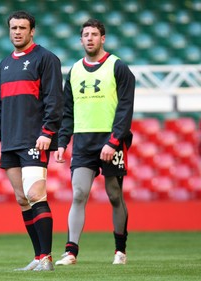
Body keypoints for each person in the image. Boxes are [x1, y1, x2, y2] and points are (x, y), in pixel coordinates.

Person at [54, 18, 135, 266]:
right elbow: (68, 110)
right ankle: (71, 252)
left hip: (110, 140)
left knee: (113, 195)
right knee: (79, 193)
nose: (90, 38)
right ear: (81, 40)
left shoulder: (118, 67)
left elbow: (125, 108)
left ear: (103, 38)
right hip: (83, 140)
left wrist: (113, 141)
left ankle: (120, 250)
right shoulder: (75, 70)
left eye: (94, 34)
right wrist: (62, 141)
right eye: (85, 35)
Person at [0, 10, 63, 271]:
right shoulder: (5, 63)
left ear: (32, 31)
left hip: (34, 138)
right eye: (13, 28)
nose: (17, 32)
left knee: (35, 194)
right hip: (9, 141)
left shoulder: (46, 59)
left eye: (22, 27)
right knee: (22, 198)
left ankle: (47, 257)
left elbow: (55, 99)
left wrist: (47, 131)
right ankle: (38, 255)